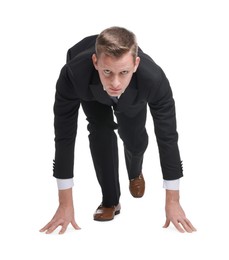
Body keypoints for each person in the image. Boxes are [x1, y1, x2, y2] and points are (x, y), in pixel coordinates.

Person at [40, 26, 196, 234]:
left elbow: (167, 136)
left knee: (133, 137)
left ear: (135, 64)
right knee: (100, 131)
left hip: (133, 93)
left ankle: (135, 172)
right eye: (108, 71)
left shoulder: (153, 79)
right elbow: (64, 136)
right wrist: (65, 204)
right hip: (90, 87)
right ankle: (110, 201)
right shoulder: (73, 75)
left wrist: (173, 200)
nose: (115, 83)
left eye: (123, 72)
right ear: (96, 62)